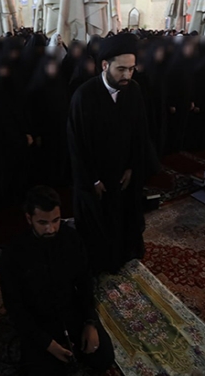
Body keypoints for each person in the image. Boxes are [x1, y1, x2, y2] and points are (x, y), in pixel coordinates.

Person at [0, 186, 115, 376]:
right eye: (43, 222)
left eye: (55, 220)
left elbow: (85, 282)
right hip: (37, 319)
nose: (51, 229)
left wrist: (90, 322)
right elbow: (14, 306)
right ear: (29, 219)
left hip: (70, 310)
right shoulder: (13, 254)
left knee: (104, 358)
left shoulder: (71, 238)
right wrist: (47, 344)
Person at [67, 33, 156, 275]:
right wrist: (93, 180)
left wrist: (132, 167)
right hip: (96, 178)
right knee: (99, 226)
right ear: (105, 65)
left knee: (125, 218)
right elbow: (77, 145)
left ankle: (124, 255)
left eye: (131, 69)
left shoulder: (133, 90)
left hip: (123, 174)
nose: (127, 75)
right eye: (121, 69)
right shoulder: (84, 96)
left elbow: (139, 134)